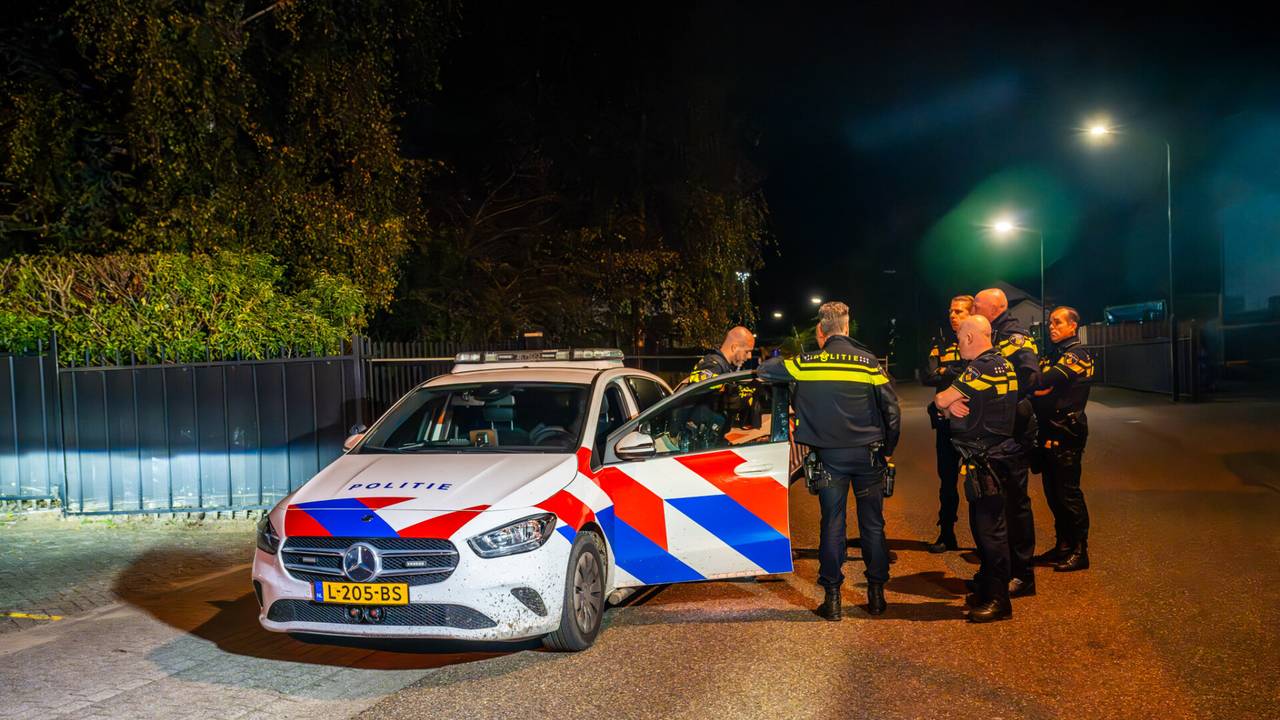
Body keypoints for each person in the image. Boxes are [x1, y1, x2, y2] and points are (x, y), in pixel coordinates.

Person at [758, 301, 900, 620]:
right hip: (868, 455)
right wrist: (889, 449)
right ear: (847, 328)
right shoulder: (868, 363)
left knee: (833, 524)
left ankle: (833, 599)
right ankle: (877, 595)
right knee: (873, 524)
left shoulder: (806, 363)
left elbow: (765, 370)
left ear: (821, 331)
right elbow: (892, 410)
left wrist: (789, 358)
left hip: (829, 459)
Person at [933, 315, 1021, 623]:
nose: (958, 345)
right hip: (997, 456)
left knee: (990, 532)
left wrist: (947, 404)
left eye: (959, 339)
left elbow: (941, 398)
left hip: (988, 459)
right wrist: (949, 405)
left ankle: (999, 601)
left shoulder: (981, 367)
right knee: (987, 528)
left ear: (970, 338)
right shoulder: (1002, 363)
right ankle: (988, 587)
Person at [973, 288, 1040, 599]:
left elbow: (1030, 376)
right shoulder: (995, 333)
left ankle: (1023, 575)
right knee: (997, 506)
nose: (973, 310)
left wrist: (1004, 404)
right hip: (998, 432)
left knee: (1015, 505)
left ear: (995, 307)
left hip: (1013, 432)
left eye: (977, 305)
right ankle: (1000, 571)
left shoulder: (1014, 336)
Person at [1031, 306, 1094, 572]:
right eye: (1050, 323)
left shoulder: (1077, 354)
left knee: (1068, 494)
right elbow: (1040, 384)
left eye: (1057, 322)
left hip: (1066, 432)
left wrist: (1041, 387)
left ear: (1073, 326)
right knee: (1053, 494)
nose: (1051, 327)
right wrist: (1041, 388)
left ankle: (1080, 551)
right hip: (1048, 430)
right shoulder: (1054, 355)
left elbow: (1043, 379)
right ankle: (1063, 545)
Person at [920, 295, 974, 553]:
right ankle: (946, 533)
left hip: (974, 423)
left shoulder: (980, 340)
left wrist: (946, 371)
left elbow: (978, 374)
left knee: (980, 482)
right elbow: (928, 376)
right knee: (947, 481)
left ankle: (985, 539)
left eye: (960, 311)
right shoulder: (940, 343)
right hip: (945, 423)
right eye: (951, 311)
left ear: (972, 314)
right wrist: (957, 370)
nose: (953, 315)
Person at [678, 326, 755, 389]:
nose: (749, 356)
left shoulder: (724, 367)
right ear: (734, 347)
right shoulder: (713, 366)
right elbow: (696, 397)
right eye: (747, 351)